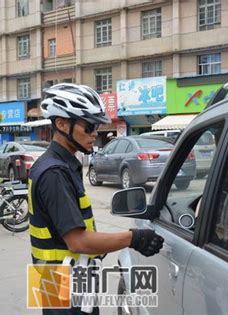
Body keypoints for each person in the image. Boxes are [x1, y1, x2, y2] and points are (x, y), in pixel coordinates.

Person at [28, 83, 164, 314]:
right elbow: (78, 242)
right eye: (89, 126)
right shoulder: (55, 173)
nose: (95, 134)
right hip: (64, 282)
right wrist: (133, 238)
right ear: (61, 124)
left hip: (62, 276)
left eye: (97, 126)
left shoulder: (59, 165)